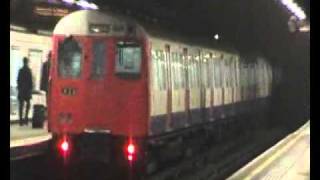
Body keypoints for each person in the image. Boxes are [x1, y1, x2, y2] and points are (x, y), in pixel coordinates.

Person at [17, 57, 33, 126]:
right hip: (27, 90)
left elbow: (18, 80)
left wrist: (19, 87)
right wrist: (30, 89)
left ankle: (21, 120)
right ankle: (26, 119)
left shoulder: (20, 70)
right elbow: (30, 81)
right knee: (28, 104)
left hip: (21, 90)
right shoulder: (29, 70)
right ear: (27, 62)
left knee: (21, 105)